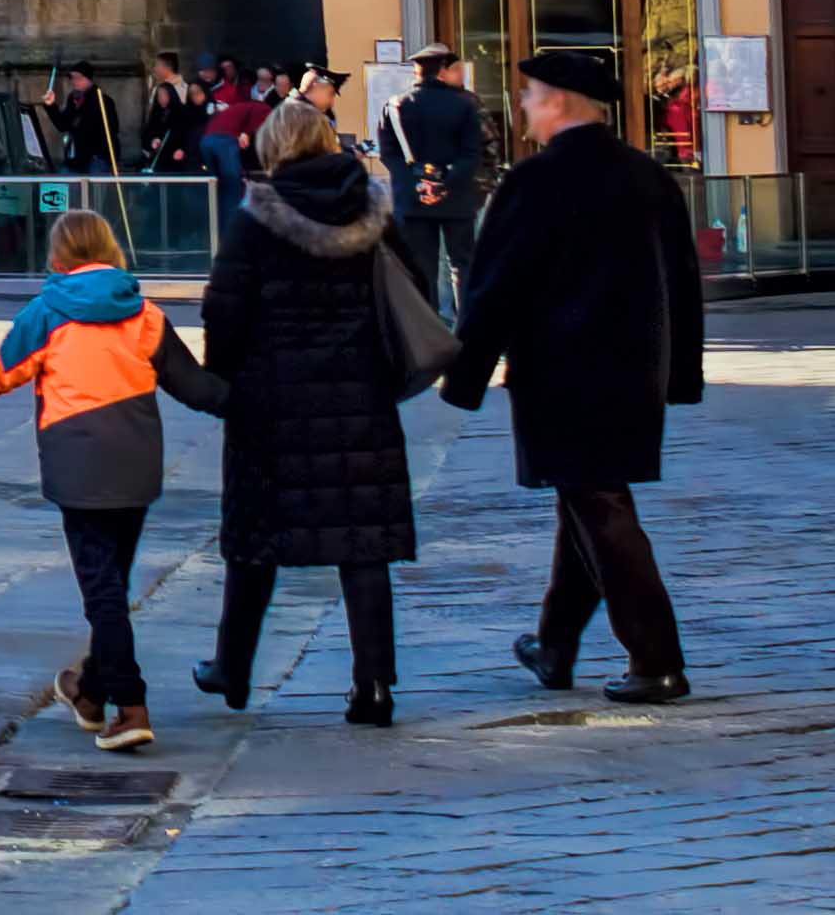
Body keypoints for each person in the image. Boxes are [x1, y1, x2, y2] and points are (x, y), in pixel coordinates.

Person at [445, 40, 706, 703]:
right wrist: (681, 375)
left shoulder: (534, 182)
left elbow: (494, 286)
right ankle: (554, 647)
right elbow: (684, 283)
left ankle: (656, 659)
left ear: (556, 102)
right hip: (636, 374)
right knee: (587, 503)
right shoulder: (650, 177)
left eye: (529, 97)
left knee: (599, 506)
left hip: (561, 376)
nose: (524, 111)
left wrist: (465, 374)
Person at [0, 205, 218, 752]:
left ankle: (130, 705)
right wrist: (254, 403)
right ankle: (88, 691)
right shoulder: (144, 313)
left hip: (77, 466)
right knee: (112, 581)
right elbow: (195, 386)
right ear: (110, 251)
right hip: (136, 466)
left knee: (101, 592)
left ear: (58, 255)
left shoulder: (47, 311)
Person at [189, 96, 418, 725]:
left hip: (271, 401)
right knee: (363, 546)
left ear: (274, 147)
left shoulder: (255, 218)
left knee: (254, 540)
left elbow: (224, 308)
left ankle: (232, 669)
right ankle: (373, 687)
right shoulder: (373, 210)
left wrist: (223, 380)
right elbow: (414, 291)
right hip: (359, 398)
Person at [383, 45, 491, 306]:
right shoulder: (464, 105)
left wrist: (418, 183)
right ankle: (466, 329)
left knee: (422, 268)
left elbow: (389, 154)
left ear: (417, 72)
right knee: (462, 265)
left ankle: (427, 333)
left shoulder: (396, 105)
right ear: (442, 71)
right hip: (457, 196)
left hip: (413, 198)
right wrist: (444, 183)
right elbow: (471, 153)